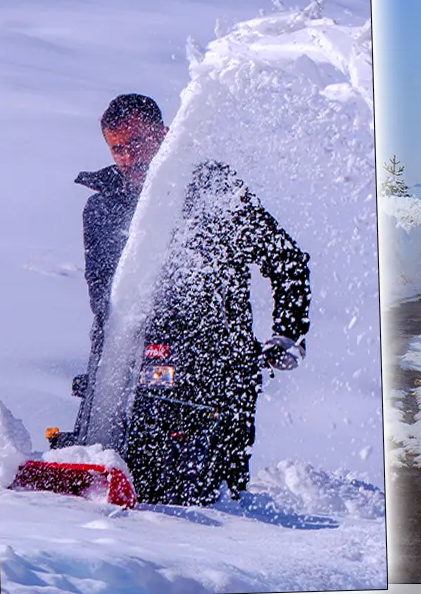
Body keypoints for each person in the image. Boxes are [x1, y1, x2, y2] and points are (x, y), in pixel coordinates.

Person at [72, 93, 311, 504]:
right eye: (117, 148)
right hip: (123, 367)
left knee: (210, 502)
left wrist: (286, 335)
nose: (128, 157)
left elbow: (286, 260)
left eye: (137, 142)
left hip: (215, 374)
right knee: (101, 481)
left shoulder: (214, 192)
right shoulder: (101, 207)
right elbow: (103, 297)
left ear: (165, 135)